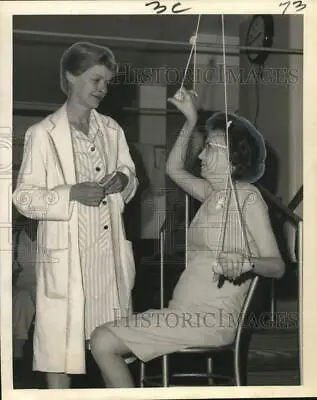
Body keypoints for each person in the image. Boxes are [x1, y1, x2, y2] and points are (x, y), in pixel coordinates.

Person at [89, 88, 285, 388]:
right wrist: (190, 120)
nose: (202, 154)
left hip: (209, 319)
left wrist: (245, 260)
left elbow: (276, 266)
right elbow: (174, 169)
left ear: (233, 157)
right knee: (100, 337)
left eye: (209, 147)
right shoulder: (211, 194)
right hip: (183, 313)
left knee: (103, 340)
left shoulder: (248, 197)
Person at [12, 41, 138, 389]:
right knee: (60, 353)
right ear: (71, 77)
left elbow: (130, 173)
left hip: (106, 262)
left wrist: (124, 180)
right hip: (68, 263)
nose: (103, 88)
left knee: (109, 346)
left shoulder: (112, 130)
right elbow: (23, 197)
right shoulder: (42, 134)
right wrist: (70, 194)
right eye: (96, 80)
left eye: (107, 82)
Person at [12, 215, 37, 362]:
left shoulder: (50, 238)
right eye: (30, 219)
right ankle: (18, 343)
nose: (34, 222)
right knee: (23, 297)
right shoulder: (14, 240)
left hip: (48, 282)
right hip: (24, 283)